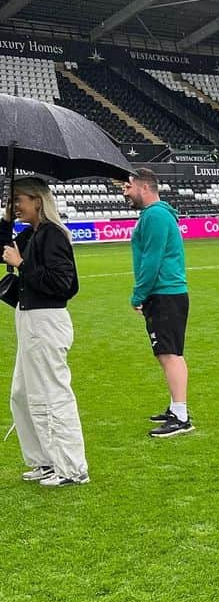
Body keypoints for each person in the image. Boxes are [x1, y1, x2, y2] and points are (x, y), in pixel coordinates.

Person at [2, 177, 89, 486]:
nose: (15, 205)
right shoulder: (32, 234)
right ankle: (44, 461)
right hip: (29, 319)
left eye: (19, 200)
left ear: (37, 201)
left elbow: (64, 284)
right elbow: (3, 249)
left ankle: (71, 468)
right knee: (22, 395)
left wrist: (22, 264)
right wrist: (5, 220)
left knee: (52, 394)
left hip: (46, 320)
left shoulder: (52, 235)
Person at [123, 170, 193, 437]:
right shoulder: (156, 215)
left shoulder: (155, 215)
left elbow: (152, 260)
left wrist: (138, 294)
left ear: (143, 188)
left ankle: (181, 416)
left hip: (164, 293)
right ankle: (177, 407)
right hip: (167, 293)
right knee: (170, 352)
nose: (125, 192)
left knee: (169, 354)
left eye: (128, 187)